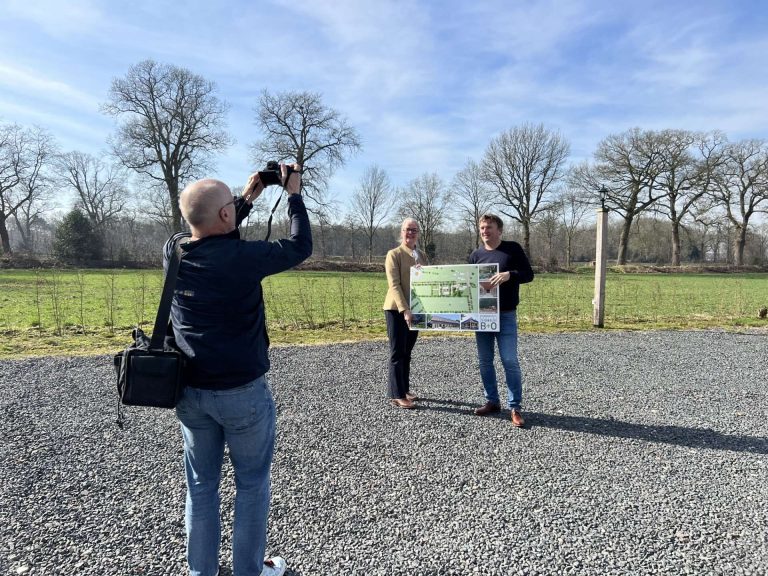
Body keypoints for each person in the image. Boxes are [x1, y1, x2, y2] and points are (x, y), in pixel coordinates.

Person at [165, 164, 311, 576]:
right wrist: (294, 194)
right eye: (230, 206)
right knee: (250, 486)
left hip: (189, 393)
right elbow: (300, 247)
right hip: (242, 394)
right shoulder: (244, 258)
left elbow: (211, 226)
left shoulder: (174, 250)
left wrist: (246, 196)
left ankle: (202, 572)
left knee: (201, 486)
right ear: (226, 217)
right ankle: (250, 570)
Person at [468, 214, 533, 427]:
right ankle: (492, 401)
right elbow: (467, 285)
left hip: (506, 314)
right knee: (485, 361)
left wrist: (509, 275)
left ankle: (514, 407)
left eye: (489, 227)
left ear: (499, 230)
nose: (485, 231)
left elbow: (528, 274)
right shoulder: (475, 255)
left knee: (509, 360)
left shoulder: (512, 249)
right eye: (482, 228)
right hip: (483, 315)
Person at [382, 218, 428, 409]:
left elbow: (429, 280)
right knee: (397, 352)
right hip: (397, 310)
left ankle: (405, 388)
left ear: (418, 233)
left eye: (414, 230)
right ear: (402, 232)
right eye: (407, 229)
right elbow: (394, 284)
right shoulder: (394, 254)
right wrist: (405, 310)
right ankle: (397, 394)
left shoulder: (422, 255)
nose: (410, 233)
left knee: (407, 352)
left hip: (416, 310)